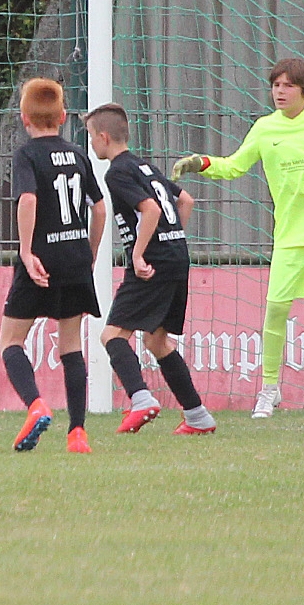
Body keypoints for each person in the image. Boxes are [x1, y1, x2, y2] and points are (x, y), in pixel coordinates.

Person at [171, 57, 304, 418]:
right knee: (276, 310)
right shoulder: (265, 128)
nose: (280, 92)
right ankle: (269, 389)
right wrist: (201, 162)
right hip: (289, 237)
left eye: (287, 86)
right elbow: (234, 165)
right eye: (276, 85)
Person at [84, 103, 217, 435]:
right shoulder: (146, 167)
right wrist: (171, 238)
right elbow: (185, 200)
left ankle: (141, 400)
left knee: (112, 335)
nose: (91, 144)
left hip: (153, 262)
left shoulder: (117, 172)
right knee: (157, 341)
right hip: (177, 256)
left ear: (103, 137)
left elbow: (151, 209)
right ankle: (198, 416)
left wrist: (139, 253)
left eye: (91, 136)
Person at [0, 78, 107, 453]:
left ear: (24, 118)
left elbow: (28, 199)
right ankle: (77, 433)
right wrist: (91, 252)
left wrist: (26, 252)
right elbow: (99, 208)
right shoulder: (78, 154)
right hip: (75, 257)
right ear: (63, 117)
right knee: (71, 345)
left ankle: (37, 405)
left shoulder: (27, 155)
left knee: (10, 341)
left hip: (43, 257)